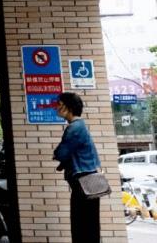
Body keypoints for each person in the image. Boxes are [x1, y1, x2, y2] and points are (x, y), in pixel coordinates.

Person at [53, 92, 101, 243]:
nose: (57, 108)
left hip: (83, 181)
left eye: (59, 105)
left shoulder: (74, 128)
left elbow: (61, 153)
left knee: (81, 225)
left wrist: (57, 154)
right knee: (90, 224)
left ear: (68, 107)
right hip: (89, 180)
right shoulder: (80, 126)